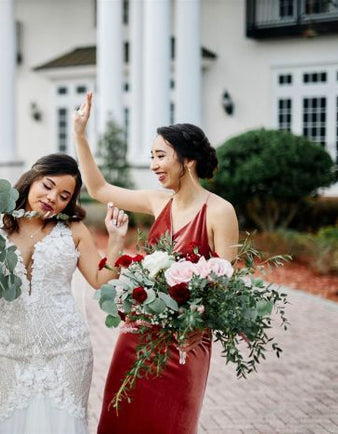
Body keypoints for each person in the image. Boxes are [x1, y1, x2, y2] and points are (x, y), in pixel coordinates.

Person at [73, 92, 239, 434]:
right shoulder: (157, 201)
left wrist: (198, 322)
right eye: (151, 156)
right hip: (138, 335)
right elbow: (99, 187)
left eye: (161, 155)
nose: (153, 165)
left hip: (186, 340)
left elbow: (227, 281)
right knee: (122, 417)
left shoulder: (220, 211)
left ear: (188, 160)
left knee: (171, 421)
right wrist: (79, 133)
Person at [0, 154, 130, 434]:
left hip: (67, 348)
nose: (53, 197)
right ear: (32, 177)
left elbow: (100, 280)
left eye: (64, 195)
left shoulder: (74, 230)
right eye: (48, 185)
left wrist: (116, 240)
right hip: (10, 347)